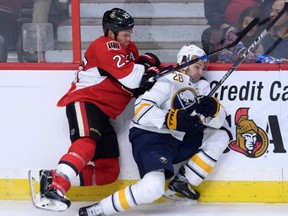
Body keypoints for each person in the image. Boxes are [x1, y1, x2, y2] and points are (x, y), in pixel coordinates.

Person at [78, 44, 230, 216]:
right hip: (151, 137)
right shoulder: (167, 79)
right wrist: (169, 119)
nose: (200, 71)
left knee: (221, 135)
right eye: (197, 66)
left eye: (203, 67)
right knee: (153, 187)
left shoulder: (202, 88)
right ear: (184, 62)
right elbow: (141, 110)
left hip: (178, 140)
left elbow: (217, 122)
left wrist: (214, 111)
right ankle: (100, 209)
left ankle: (182, 182)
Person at [38, 8, 162, 211]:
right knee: (86, 144)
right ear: (111, 32)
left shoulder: (130, 50)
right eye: (124, 33)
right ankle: (56, 186)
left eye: (130, 32)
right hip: (86, 102)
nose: (128, 37)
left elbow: (133, 84)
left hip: (104, 114)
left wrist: (146, 73)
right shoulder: (104, 46)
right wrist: (145, 70)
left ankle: (50, 177)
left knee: (108, 172)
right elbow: (131, 78)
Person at [201, 0, 272, 55]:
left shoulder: (264, 39)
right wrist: (227, 29)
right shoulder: (212, 34)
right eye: (246, 23)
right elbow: (211, 11)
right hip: (224, 30)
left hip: (255, 34)